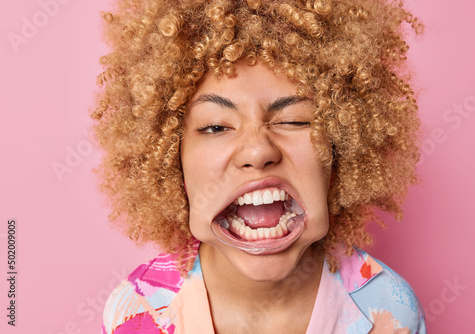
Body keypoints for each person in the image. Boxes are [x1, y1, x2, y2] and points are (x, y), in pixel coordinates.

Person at [92, 0, 426, 333]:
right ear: (169, 160)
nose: (257, 149)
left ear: (343, 149)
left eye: (294, 120)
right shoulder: (138, 311)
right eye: (216, 126)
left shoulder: (389, 311)